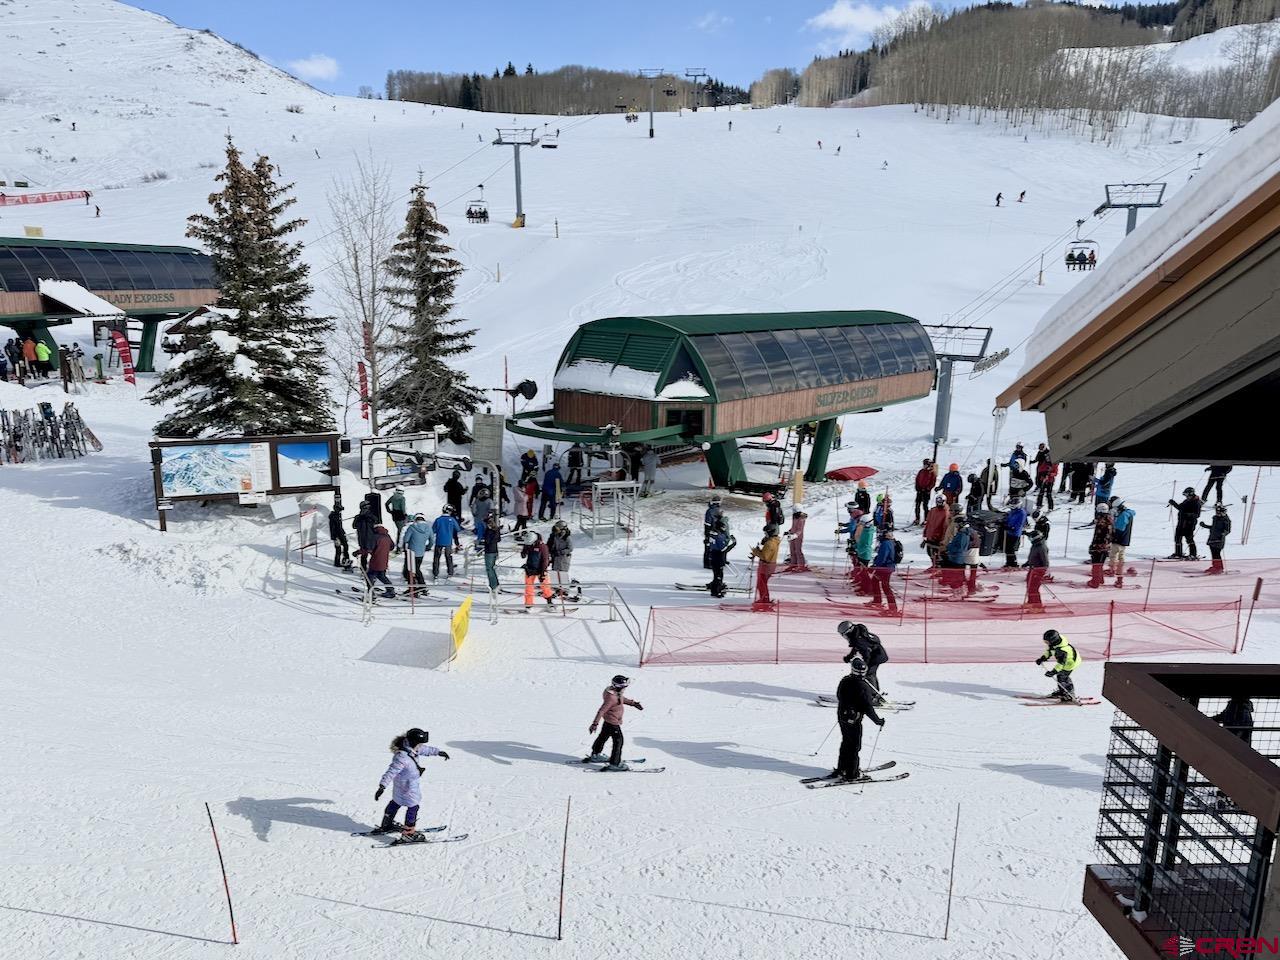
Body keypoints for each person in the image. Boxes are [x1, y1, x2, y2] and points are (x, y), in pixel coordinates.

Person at [374, 728, 449, 839]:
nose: (421, 746)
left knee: (395, 802)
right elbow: (391, 772)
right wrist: (382, 786)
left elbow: (425, 749)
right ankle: (408, 833)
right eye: (419, 743)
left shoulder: (411, 748)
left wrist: (438, 752)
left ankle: (387, 824)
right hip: (408, 787)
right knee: (413, 806)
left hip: (402, 784)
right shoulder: (402, 758)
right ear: (414, 742)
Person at [827, 654, 884, 782]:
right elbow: (867, 707)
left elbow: (839, 695)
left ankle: (842, 768)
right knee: (854, 746)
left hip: (842, 716)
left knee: (846, 742)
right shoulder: (863, 686)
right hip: (854, 719)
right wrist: (878, 721)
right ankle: (851, 774)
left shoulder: (845, 680)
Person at [586, 675, 643, 771]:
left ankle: (596, 754)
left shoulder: (615, 692)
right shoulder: (611, 697)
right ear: (618, 686)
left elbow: (621, 698)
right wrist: (595, 724)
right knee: (618, 741)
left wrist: (633, 703)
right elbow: (601, 711)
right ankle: (615, 763)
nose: (626, 688)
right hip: (613, 722)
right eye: (624, 686)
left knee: (603, 736)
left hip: (609, 720)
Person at [839, 621, 889, 703]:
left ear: (849, 631)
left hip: (876, 657)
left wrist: (865, 664)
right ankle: (876, 693)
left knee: (868, 674)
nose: (845, 637)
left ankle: (873, 697)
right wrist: (849, 657)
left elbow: (865, 653)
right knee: (871, 674)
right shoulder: (859, 633)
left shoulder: (858, 639)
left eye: (844, 635)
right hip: (877, 654)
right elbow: (857, 648)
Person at [1035, 630, 1081, 702]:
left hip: (1070, 663)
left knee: (1063, 678)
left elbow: (1061, 663)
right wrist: (1043, 658)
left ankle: (1069, 695)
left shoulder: (1062, 650)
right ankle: (1062, 692)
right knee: (1060, 676)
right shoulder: (1055, 643)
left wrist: (1053, 671)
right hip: (1066, 661)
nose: (1046, 643)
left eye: (1047, 641)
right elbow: (1049, 651)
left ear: (1053, 640)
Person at [868, 528, 899, 614]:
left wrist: (875, 566)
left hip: (885, 568)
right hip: (886, 567)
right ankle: (877, 600)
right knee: (875, 580)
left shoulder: (886, 543)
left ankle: (893, 608)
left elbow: (882, 557)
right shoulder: (890, 542)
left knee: (886, 587)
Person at [521, 530, 554, 609]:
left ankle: (550, 602)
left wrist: (542, 573)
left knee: (545, 586)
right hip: (530, 569)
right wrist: (524, 551)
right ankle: (529, 605)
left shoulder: (542, 547)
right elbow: (524, 554)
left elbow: (545, 560)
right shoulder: (528, 544)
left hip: (540, 569)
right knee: (529, 588)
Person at [400, 512, 433, 590]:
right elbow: (432, 540)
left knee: (410, 570)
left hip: (411, 552)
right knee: (417, 568)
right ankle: (420, 585)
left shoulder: (412, 527)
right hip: (421, 552)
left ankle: (415, 587)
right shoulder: (428, 528)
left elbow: (406, 539)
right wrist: (427, 547)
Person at [1167, 487, 1203, 560]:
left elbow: (1197, 514)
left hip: (1189, 523)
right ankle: (1178, 553)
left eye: (1187, 494)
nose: (1186, 496)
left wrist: (1188, 515)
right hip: (1181, 522)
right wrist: (1173, 503)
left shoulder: (1196, 502)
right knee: (1177, 537)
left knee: (1189, 538)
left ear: (1191, 494)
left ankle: (1193, 554)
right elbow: (1180, 508)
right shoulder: (1186, 501)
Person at [750, 524, 781, 606]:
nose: (765, 535)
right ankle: (764, 599)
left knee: (762, 584)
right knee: (763, 584)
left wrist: (756, 552)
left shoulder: (770, 543)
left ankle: (764, 600)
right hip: (770, 565)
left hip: (766, 566)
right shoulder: (774, 541)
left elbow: (765, 557)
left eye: (766, 533)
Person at [365, 524, 396, 598]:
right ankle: (390, 590)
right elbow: (392, 546)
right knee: (382, 576)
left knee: (369, 576)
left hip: (375, 560)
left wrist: (358, 552)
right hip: (384, 560)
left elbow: (369, 549)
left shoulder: (375, 537)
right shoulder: (387, 536)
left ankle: (370, 593)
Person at [706, 517, 735, 597]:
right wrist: (733, 544)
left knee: (716, 574)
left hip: (713, 555)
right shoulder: (719, 536)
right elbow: (724, 549)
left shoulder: (712, 534)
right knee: (719, 575)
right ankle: (717, 590)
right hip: (718, 557)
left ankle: (715, 587)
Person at [431, 505, 462, 580]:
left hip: (439, 541)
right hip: (448, 542)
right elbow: (458, 529)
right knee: (449, 557)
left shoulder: (438, 520)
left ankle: (435, 573)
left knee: (436, 558)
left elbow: (433, 530)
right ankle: (450, 572)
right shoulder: (452, 519)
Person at [1087, 502, 1114, 587]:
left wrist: (1093, 547)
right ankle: (1100, 579)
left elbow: (1098, 536)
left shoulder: (1101, 521)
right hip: (1107, 546)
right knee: (1100, 563)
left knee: (1096, 564)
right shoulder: (1110, 519)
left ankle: (1095, 582)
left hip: (1099, 546)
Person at [1201, 503, 1231, 574]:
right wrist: (1205, 526)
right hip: (1212, 538)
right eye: (1217, 512)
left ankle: (1219, 567)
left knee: (1217, 554)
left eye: (1219, 512)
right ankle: (1215, 566)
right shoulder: (1215, 518)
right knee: (1213, 553)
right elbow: (1213, 527)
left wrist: (1223, 533)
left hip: (1219, 539)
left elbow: (1228, 530)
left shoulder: (1225, 520)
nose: (1218, 513)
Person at [1110, 500, 1134, 583]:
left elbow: (1120, 528)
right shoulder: (1129, 513)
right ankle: (1119, 571)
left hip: (1119, 538)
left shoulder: (1123, 515)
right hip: (1125, 539)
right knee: (1121, 555)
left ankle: (1113, 570)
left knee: (1114, 555)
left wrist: (1114, 536)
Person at [1024, 529, 1049, 609]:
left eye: (1031, 538)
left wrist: (1041, 572)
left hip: (1038, 570)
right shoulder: (1035, 544)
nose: (1030, 540)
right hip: (1032, 569)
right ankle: (1031, 602)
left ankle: (1037, 606)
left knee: (1034, 588)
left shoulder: (1041, 547)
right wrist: (1027, 563)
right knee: (1029, 586)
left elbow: (1045, 562)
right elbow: (1033, 556)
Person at [922, 495, 949, 567]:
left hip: (938, 537)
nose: (939, 504)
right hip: (930, 535)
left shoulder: (946, 512)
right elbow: (928, 522)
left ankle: (938, 567)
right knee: (930, 552)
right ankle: (933, 565)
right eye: (938, 502)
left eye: (941, 502)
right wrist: (925, 533)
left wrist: (943, 539)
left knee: (938, 554)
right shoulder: (933, 510)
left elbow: (945, 527)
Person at [352, 500, 377, 573]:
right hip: (369, 539)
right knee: (371, 554)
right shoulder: (369, 516)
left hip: (364, 539)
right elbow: (376, 522)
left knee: (365, 555)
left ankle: (365, 570)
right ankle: (369, 570)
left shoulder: (362, 517)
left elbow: (354, 526)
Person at [1002, 499, 1027, 569]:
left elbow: (1020, 523)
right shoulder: (1012, 511)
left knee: (1011, 549)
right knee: (1007, 548)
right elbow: (1009, 518)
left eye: (1013, 506)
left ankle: (1013, 563)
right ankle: (1008, 562)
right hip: (1009, 532)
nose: (1011, 508)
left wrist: (1011, 528)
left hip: (1015, 533)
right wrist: (1005, 523)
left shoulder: (1021, 513)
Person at [913, 458, 937, 524]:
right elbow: (917, 479)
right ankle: (917, 519)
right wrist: (917, 487)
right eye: (924, 465)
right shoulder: (921, 471)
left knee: (925, 506)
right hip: (920, 491)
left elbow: (933, 483)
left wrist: (928, 489)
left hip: (926, 492)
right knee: (917, 505)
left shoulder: (932, 473)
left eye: (926, 465)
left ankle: (926, 519)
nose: (924, 466)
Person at [482, 510, 501, 591]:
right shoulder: (495, 529)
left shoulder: (490, 529)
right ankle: (495, 584)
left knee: (489, 569)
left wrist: (485, 540)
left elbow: (489, 540)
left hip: (490, 551)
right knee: (491, 568)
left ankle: (493, 586)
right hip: (493, 550)